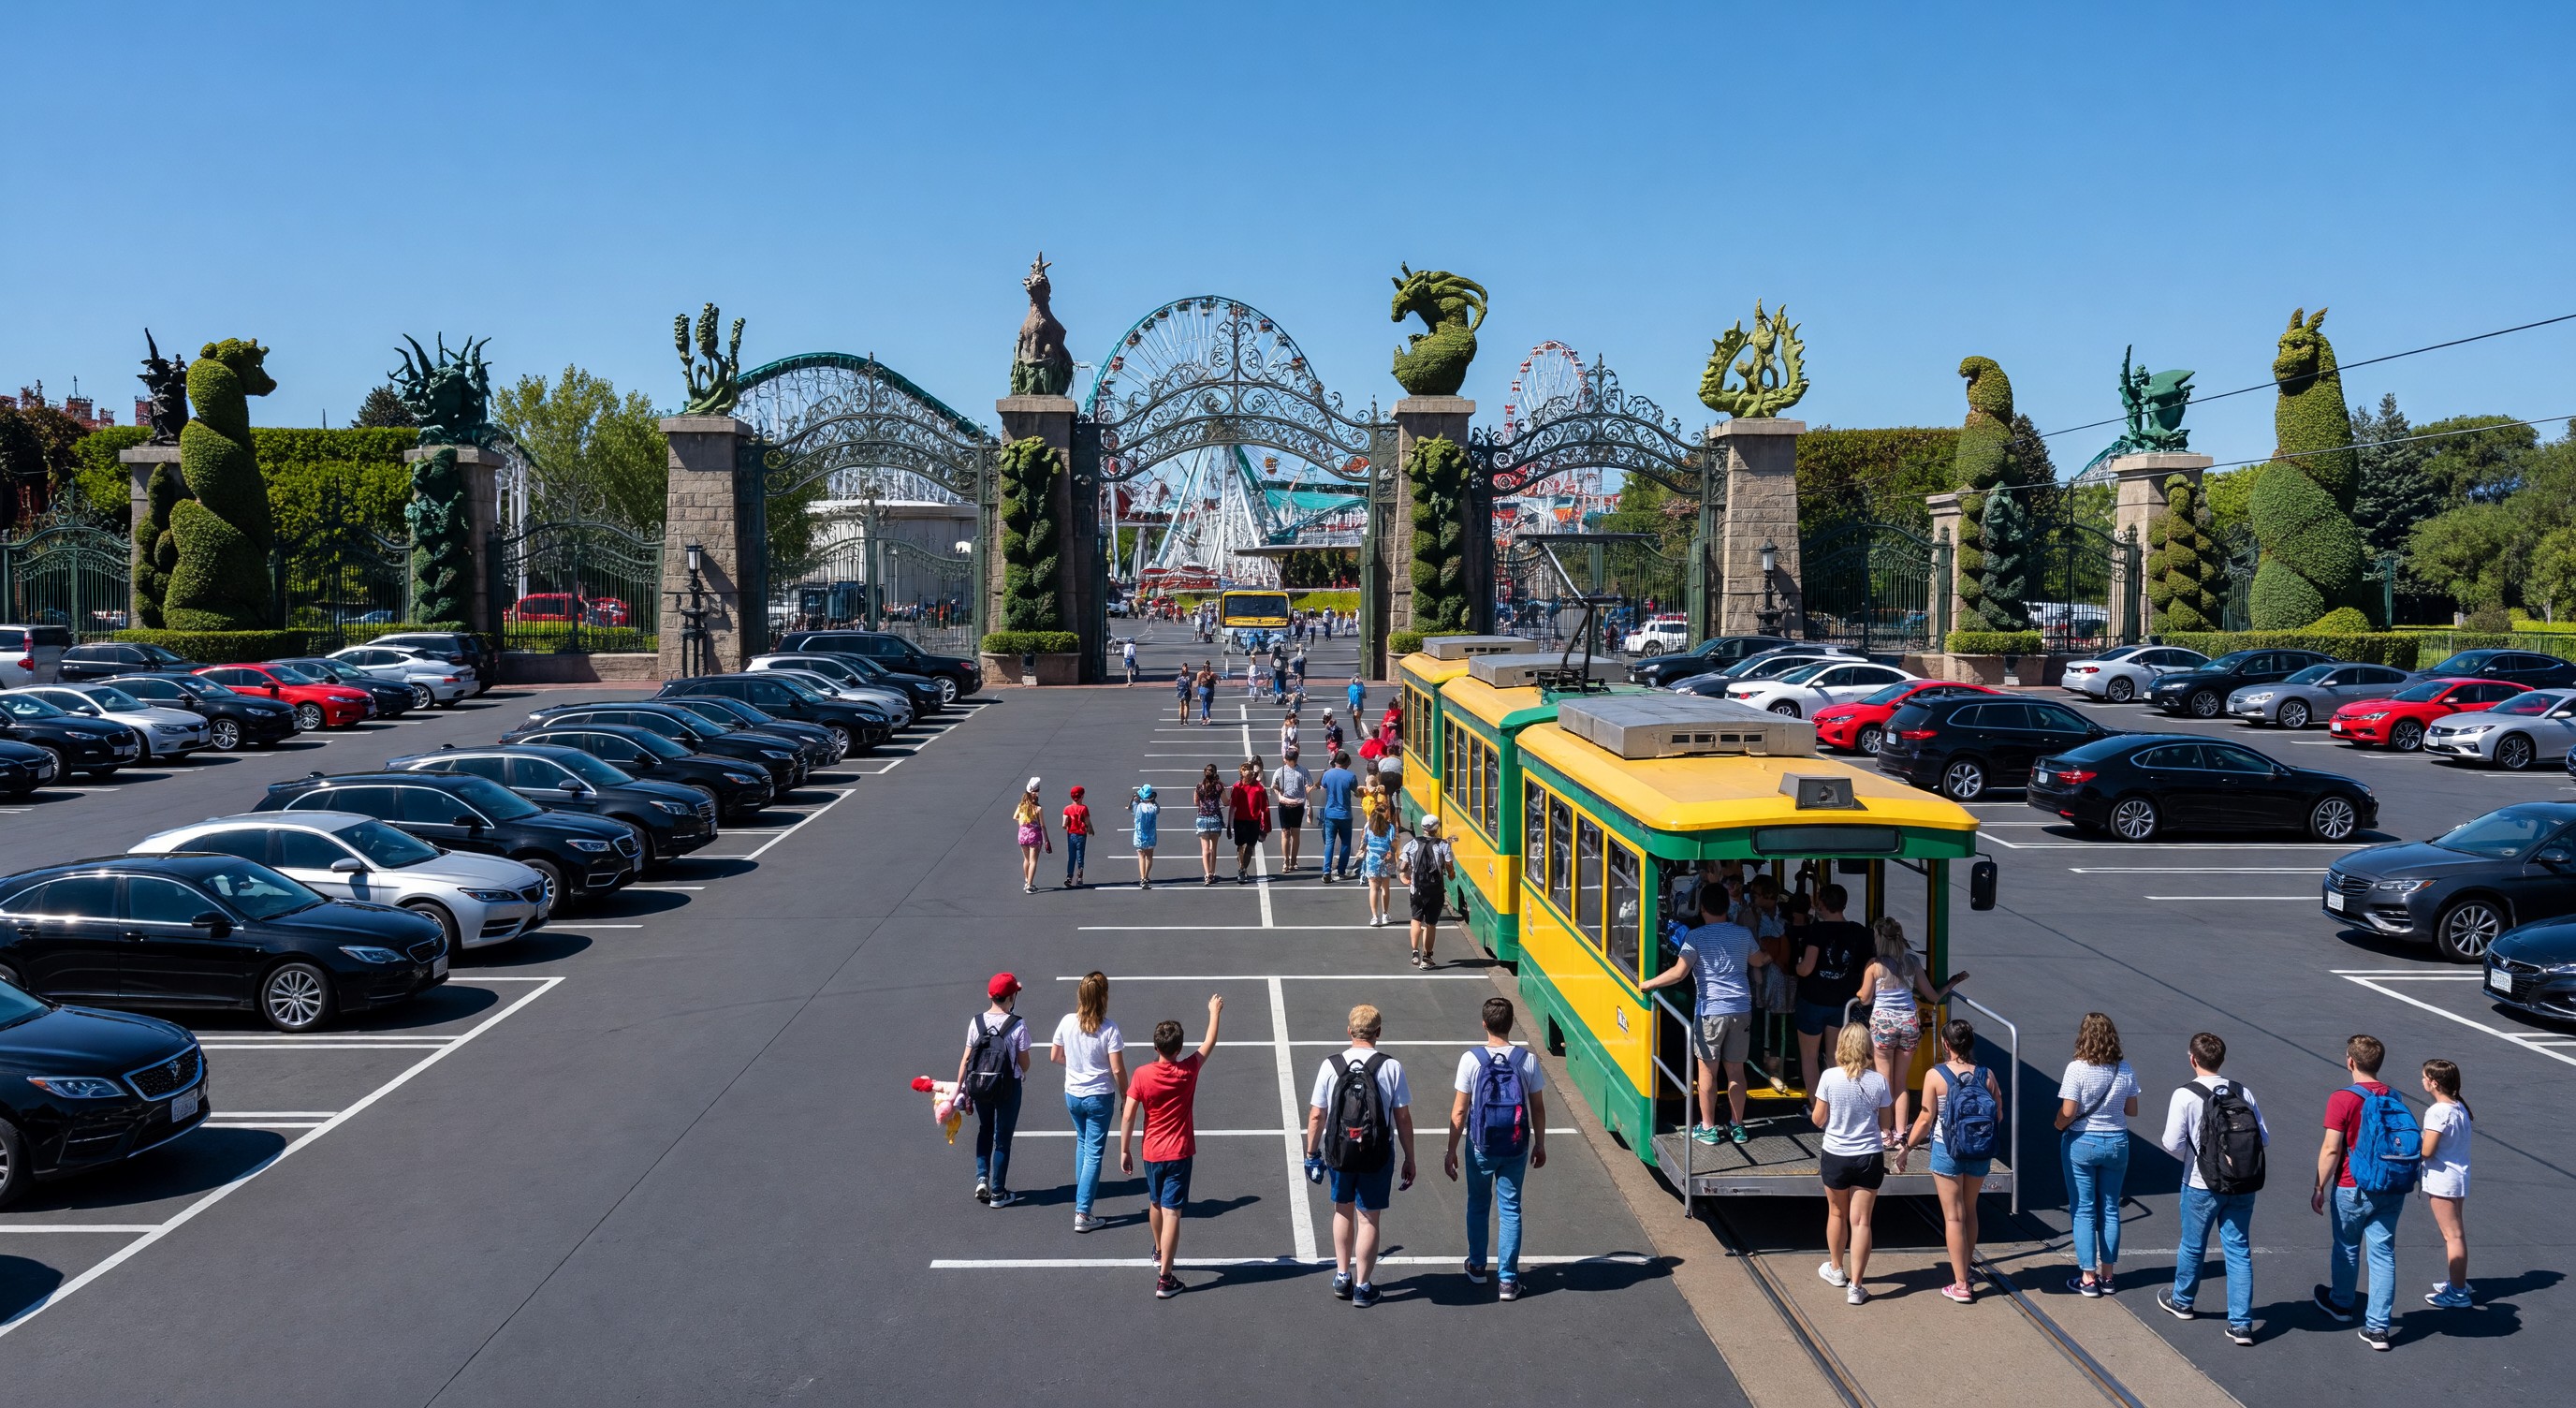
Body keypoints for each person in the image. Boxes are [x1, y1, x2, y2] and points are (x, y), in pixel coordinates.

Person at [2155, 1031, 2269, 1342]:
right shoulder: (2241, 1091)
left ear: (2193, 1059)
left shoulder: (2185, 1094)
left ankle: (2182, 1300)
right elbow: (2264, 1138)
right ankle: (2241, 1323)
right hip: (2243, 1184)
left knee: (2193, 1245)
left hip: (2200, 1183)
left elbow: (2171, 1143)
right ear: (2222, 1060)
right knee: (2239, 1249)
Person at [1641, 883, 1772, 1145]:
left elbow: (1679, 973)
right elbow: (1758, 960)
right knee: (1736, 1071)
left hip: (1711, 1011)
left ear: (1702, 908)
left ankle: (1708, 1127)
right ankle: (1737, 1125)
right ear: (1727, 907)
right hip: (1741, 1009)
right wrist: (1772, 955)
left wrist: (1649, 983)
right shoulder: (1743, 933)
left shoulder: (1696, 937)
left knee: (1708, 1071)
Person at [1305, 1004, 1416, 1308]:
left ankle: (1342, 1276)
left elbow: (1317, 1115)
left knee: (1343, 1211)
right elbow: (1402, 1118)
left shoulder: (1332, 1065)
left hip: (1340, 1152)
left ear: (1349, 1031)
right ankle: (1363, 1286)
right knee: (1368, 1219)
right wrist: (1410, 1157)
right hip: (1376, 1153)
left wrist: (1311, 1154)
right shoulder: (1390, 1066)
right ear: (1378, 1033)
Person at [2313, 1034, 2416, 1349]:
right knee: (2383, 1255)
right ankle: (2378, 1328)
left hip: (2352, 1186)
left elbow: (2332, 1149)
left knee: (2346, 1246)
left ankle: (2342, 1303)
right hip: (2390, 1186)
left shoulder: (2342, 1098)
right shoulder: (2394, 1097)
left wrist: (2319, 1186)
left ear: (2350, 1061)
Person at [1119, 993, 1224, 1299]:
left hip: (1151, 1153)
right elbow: (1210, 1042)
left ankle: (1158, 1250)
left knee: (1155, 1204)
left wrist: (1124, 1150)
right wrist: (1214, 1011)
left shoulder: (1141, 1074)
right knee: (1173, 1212)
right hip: (1179, 1152)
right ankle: (1165, 1278)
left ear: (1156, 1048)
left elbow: (1128, 1115)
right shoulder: (1188, 1069)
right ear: (1178, 1049)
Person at [1445, 996, 1548, 1299]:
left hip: (1481, 1146)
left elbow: (1459, 1112)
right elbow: (1538, 1108)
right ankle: (1507, 1280)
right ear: (1511, 1024)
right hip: (1516, 1146)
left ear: (1484, 1024)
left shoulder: (1471, 1059)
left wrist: (1450, 1151)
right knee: (1510, 1209)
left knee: (1478, 1204)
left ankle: (1477, 1266)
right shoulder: (1526, 1060)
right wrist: (1540, 1144)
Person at [1895, 1018, 2003, 1305]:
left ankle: (1961, 1285)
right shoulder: (1987, 1074)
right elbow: (1998, 1115)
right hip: (1980, 1151)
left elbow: (1925, 1117)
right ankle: (1966, 1273)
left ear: (1945, 1044)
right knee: (1970, 1211)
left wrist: (1906, 1146)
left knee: (1953, 1216)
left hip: (1948, 1151)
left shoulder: (1936, 1075)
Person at [2056, 1011, 2140, 1298]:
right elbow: (2131, 1110)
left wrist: (2058, 1125)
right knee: (2110, 1209)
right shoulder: (2125, 1069)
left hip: (2082, 1141)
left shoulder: (2076, 1068)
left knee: (2083, 1209)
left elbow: (2068, 1111)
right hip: (2117, 1141)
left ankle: (2088, 1277)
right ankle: (2108, 1276)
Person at [1857, 917, 1963, 1137]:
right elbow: (1931, 995)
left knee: (1884, 1082)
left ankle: (1885, 1132)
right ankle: (1900, 1131)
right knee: (1901, 1082)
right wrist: (1951, 984)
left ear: (1878, 939)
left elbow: (1865, 998)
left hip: (1884, 1024)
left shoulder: (1874, 965)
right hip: (1908, 1023)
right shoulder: (1912, 962)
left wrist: (1857, 993)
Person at [1810, 1024, 1892, 1305]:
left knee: (1836, 1214)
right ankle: (1856, 1287)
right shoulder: (1879, 1081)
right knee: (1861, 1221)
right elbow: (1886, 1125)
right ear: (1868, 1048)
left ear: (1841, 1046)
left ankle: (1836, 1269)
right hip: (1869, 1156)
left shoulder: (1829, 1077)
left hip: (1835, 1154)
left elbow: (1818, 1120)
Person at [1050, 972, 1128, 1232]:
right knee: (1094, 1153)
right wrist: (1127, 1095)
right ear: (1103, 997)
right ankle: (1083, 1212)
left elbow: (1055, 1056)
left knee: (1082, 1144)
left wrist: (1076, 1065)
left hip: (1073, 1094)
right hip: (1099, 1097)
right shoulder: (1110, 1029)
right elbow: (1117, 1070)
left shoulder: (1066, 1022)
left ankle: (1083, 1199)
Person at [957, 973, 1032, 1207]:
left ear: (990, 995)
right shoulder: (1017, 1024)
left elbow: (967, 1058)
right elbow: (1024, 1063)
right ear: (1011, 997)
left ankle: (982, 1178)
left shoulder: (976, 1022)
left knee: (985, 1129)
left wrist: (959, 1089)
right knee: (1002, 1139)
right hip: (1007, 1088)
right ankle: (998, 1192)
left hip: (980, 1087)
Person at [1794, 884, 1871, 1091]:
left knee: (1809, 1058)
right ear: (1844, 905)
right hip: (1842, 1003)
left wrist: (1796, 966)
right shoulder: (1858, 932)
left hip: (1813, 1002)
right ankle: (1837, 1102)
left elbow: (1806, 968)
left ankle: (1815, 1106)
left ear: (1821, 904)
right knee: (1835, 1056)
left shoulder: (1817, 930)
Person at [2419, 1058, 2473, 1311]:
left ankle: (2459, 1292)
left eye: (2424, 1077)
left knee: (2452, 1236)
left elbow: (2427, 1150)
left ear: (2434, 1083)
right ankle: (2457, 1282)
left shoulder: (2437, 1112)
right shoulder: (2459, 1107)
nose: (2422, 1081)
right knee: (2456, 1234)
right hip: (2457, 1178)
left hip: (2443, 1181)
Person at [1398, 817, 1456, 968]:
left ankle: (1415, 953)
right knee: (1431, 924)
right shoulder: (1443, 845)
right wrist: (1451, 874)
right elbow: (1449, 865)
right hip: (1435, 890)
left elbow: (1402, 867)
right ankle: (1427, 957)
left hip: (1416, 889)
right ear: (1436, 828)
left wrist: (1404, 875)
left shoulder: (1412, 843)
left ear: (1422, 827)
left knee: (1416, 919)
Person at [1226, 758, 1272, 885]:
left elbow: (1264, 809)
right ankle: (1242, 868)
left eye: (1251, 775)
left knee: (1250, 846)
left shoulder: (1259, 789)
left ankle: (1243, 869)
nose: (1250, 778)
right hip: (1239, 820)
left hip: (1253, 821)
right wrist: (1229, 825)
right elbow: (1232, 807)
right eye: (1247, 776)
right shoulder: (1237, 787)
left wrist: (1265, 826)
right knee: (1240, 846)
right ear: (1242, 775)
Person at [1318, 749, 1359, 883]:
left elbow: (1323, 787)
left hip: (1330, 813)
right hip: (1345, 814)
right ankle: (1341, 870)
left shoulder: (1327, 774)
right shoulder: (1351, 776)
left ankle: (1327, 871)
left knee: (1329, 843)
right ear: (1346, 763)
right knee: (1345, 843)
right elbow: (1356, 792)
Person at [1272, 747, 1311, 873]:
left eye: (1287, 759)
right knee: (1285, 832)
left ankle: (1294, 860)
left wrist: (1309, 805)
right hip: (1284, 806)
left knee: (1295, 833)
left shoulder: (1303, 771)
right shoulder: (1280, 771)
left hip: (1298, 806)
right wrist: (1280, 796)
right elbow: (1275, 786)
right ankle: (1286, 860)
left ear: (1293, 760)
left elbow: (1308, 788)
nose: (1285, 761)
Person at [1360, 807, 1398, 926]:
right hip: (1386, 860)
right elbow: (1394, 843)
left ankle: (1375, 917)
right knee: (1385, 888)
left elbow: (1364, 841)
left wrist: (1361, 850)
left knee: (1373, 889)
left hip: (1372, 860)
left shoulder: (1369, 827)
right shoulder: (1390, 828)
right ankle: (1385, 914)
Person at [1013, 779, 1051, 895]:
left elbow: (1015, 817)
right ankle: (1030, 885)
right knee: (1033, 861)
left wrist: (1022, 823)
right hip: (1034, 836)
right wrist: (1047, 840)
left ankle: (1026, 880)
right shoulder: (1038, 809)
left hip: (1022, 835)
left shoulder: (1021, 806)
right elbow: (1043, 825)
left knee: (1026, 860)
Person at [1192, 764, 1224, 885]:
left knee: (1205, 849)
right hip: (1215, 818)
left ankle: (1206, 874)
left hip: (1202, 818)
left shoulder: (1199, 786)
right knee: (1213, 848)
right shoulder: (1218, 786)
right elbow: (1225, 801)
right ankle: (1212, 872)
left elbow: (1196, 802)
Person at [1061, 785, 1092, 889]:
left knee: (1071, 856)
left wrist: (1067, 825)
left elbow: (1064, 824)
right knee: (1080, 856)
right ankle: (1080, 877)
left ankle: (1069, 876)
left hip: (1071, 835)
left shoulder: (1067, 809)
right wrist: (1090, 829)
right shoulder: (1084, 808)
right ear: (1082, 796)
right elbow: (1087, 821)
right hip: (1081, 835)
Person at [1131, 784, 1160, 890]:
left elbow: (1132, 810)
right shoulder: (1154, 807)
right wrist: (1154, 800)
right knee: (1149, 857)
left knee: (1141, 856)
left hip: (1140, 835)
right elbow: (1158, 809)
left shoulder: (1139, 807)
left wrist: (1135, 800)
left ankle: (1142, 878)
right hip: (1151, 835)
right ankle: (1147, 875)